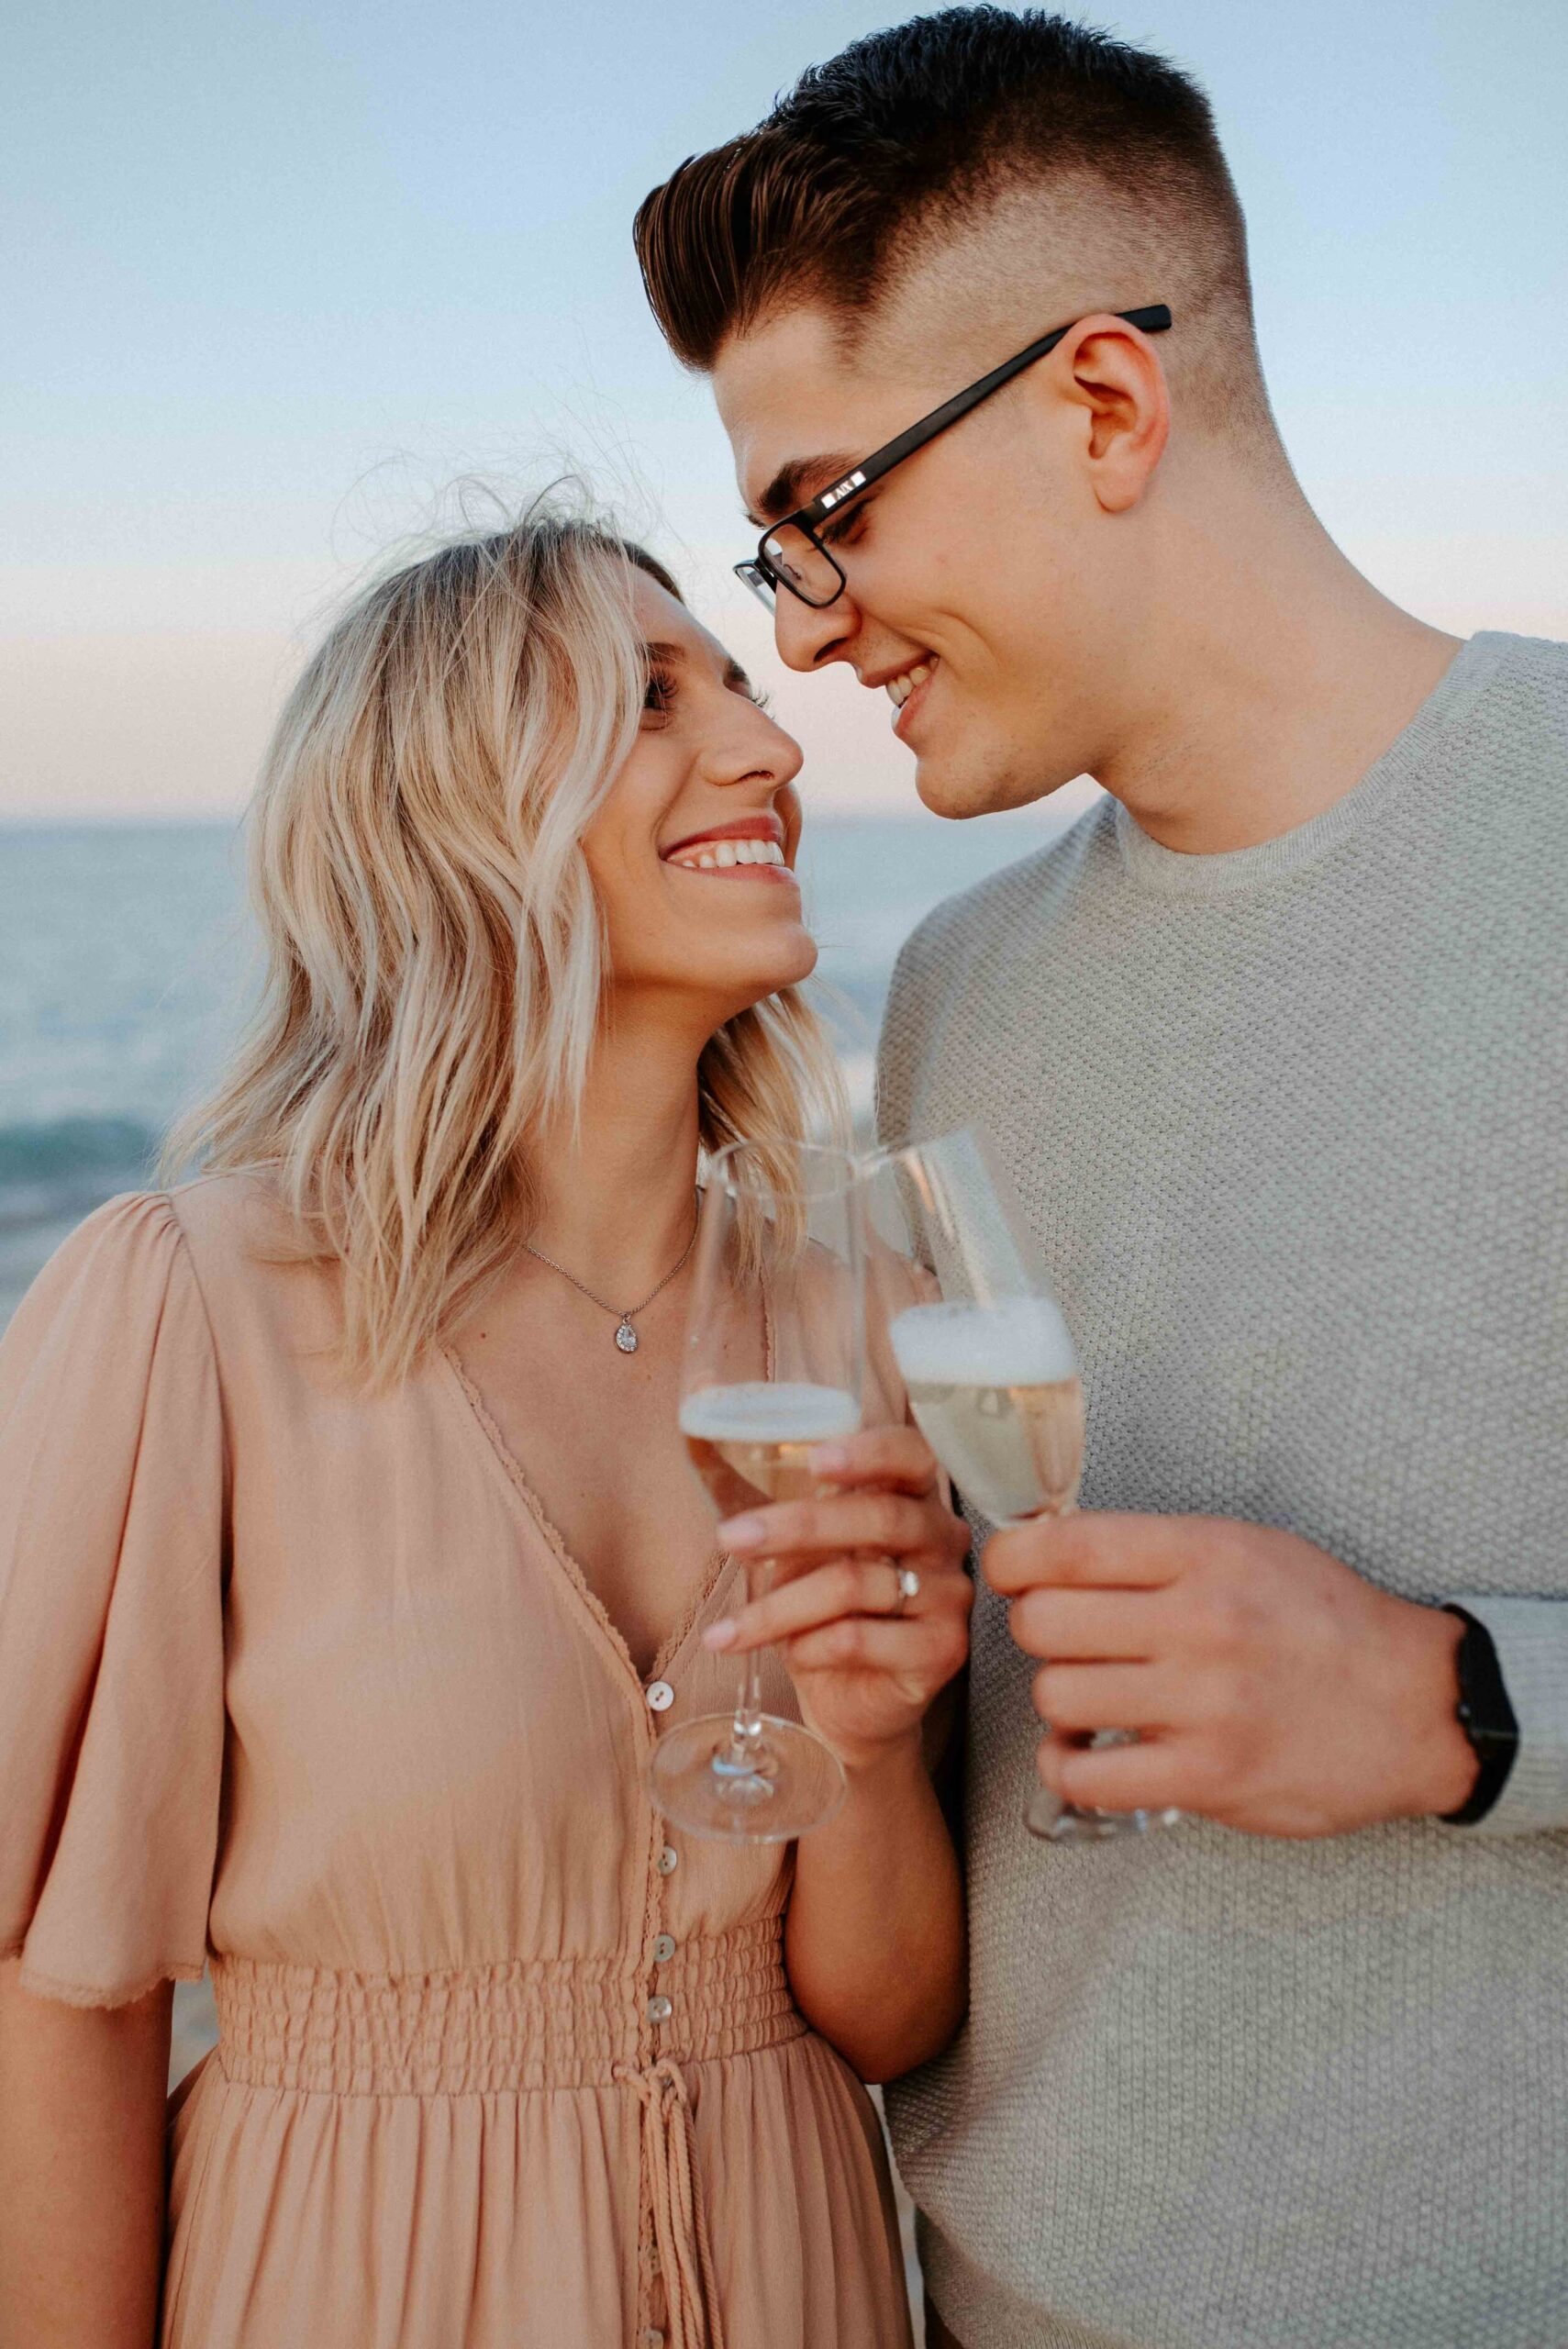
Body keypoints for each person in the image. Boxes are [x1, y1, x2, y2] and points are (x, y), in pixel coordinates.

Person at [634, 9, 1568, 2347]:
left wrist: (1460, 1702)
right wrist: (870, 1688)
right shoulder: (952, 988)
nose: (809, 627)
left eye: (829, 513)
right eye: (773, 555)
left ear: (1107, 407)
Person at [0, 507, 973, 2349]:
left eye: (744, 690)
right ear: (446, 815)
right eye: (645, 698)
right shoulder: (188, 1310)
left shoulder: (867, 1317)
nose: (767, 746)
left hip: (801, 2282)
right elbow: (64, 1995)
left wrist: (870, 1729)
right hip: (348, 2278)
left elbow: (888, 2017)